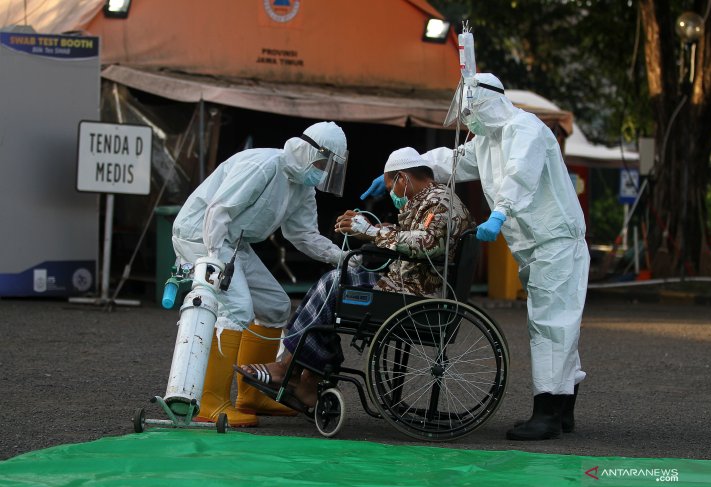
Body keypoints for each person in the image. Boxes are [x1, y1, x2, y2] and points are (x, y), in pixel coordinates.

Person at [362, 73, 589, 441]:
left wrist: (500, 212)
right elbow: (450, 161)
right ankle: (561, 413)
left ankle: (547, 414)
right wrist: (396, 173)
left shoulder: (525, 128)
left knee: (552, 325)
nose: (469, 122)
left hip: (556, 240)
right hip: (534, 245)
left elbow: (521, 173)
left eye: (471, 112)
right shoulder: (486, 142)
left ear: (485, 101)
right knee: (556, 323)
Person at [237, 147, 475, 408]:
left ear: (403, 179)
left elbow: (426, 243)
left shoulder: (439, 201)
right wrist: (372, 230)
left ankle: (292, 369)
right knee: (338, 281)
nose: (391, 194)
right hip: (407, 285)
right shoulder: (426, 200)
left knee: (334, 283)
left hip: (417, 294)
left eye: (390, 187)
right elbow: (416, 236)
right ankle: (304, 375)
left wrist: (372, 232)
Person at [171, 121, 350, 427]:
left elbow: (303, 234)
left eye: (327, 167)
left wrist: (343, 258)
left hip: (234, 241)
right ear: (306, 150)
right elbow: (219, 211)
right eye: (321, 163)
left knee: (276, 305)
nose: (321, 172)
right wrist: (215, 260)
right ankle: (209, 401)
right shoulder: (264, 164)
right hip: (201, 234)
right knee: (235, 305)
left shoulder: (303, 186)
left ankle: (253, 395)